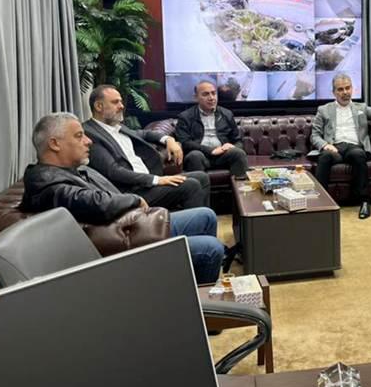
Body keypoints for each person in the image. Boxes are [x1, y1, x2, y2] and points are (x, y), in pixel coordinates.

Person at [21, 112, 225, 283]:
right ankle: (200, 307)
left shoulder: (72, 170)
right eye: (79, 136)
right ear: (55, 144)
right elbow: (97, 203)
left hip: (134, 224)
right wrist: (134, 200)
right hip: (125, 241)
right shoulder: (45, 182)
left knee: (206, 215)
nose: (88, 141)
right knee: (211, 248)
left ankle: (195, 287)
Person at [83, 85, 210, 211]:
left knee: (202, 177)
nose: (121, 106)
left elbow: (145, 133)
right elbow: (113, 171)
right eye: (115, 102)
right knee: (190, 185)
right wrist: (157, 180)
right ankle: (189, 223)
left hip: (147, 183)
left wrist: (168, 139)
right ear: (99, 106)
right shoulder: (90, 133)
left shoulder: (117, 127)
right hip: (131, 191)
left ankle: (204, 222)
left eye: (121, 101)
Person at [311, 73, 371, 220]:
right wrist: (325, 145)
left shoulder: (361, 108)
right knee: (325, 157)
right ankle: (321, 202)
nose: (345, 92)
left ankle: (364, 201)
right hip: (334, 147)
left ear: (352, 89)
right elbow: (315, 135)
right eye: (340, 89)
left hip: (354, 147)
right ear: (334, 92)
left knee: (358, 155)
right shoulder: (324, 110)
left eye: (348, 88)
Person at [175, 80, 249, 178]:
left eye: (213, 93)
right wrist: (210, 150)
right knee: (194, 156)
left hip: (222, 155)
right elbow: (185, 143)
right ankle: (200, 188)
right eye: (206, 94)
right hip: (200, 155)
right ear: (196, 97)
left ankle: (241, 187)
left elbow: (238, 141)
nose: (211, 98)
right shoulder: (185, 117)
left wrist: (232, 146)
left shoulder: (227, 114)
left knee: (238, 153)